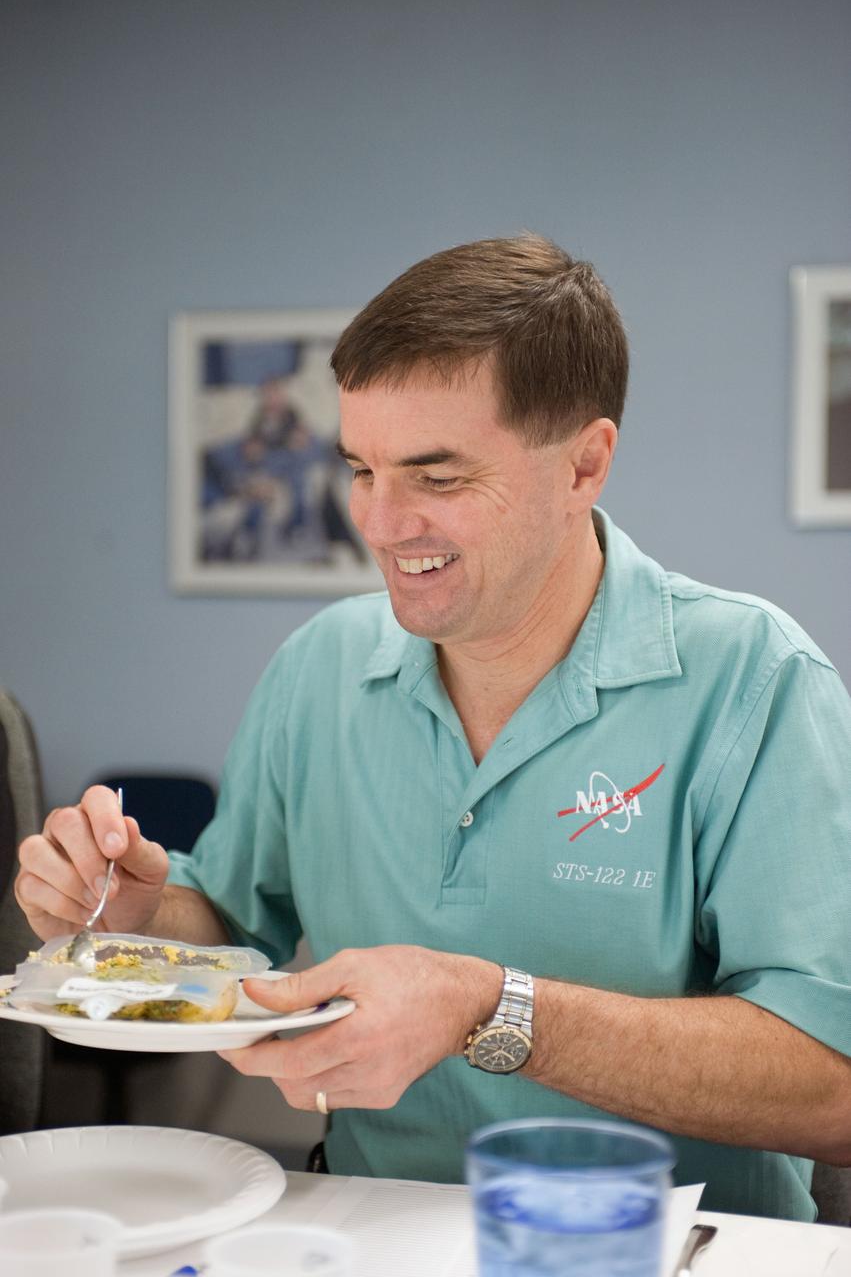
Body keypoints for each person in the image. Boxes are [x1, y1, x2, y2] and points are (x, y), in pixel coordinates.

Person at [15, 236, 851, 1221]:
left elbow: (829, 1088)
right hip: (364, 1227)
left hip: (659, 1242)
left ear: (583, 463)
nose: (378, 520)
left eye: (436, 476)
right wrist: (134, 913)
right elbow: (236, 920)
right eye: (361, 468)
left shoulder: (753, 680)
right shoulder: (318, 666)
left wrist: (490, 1007)